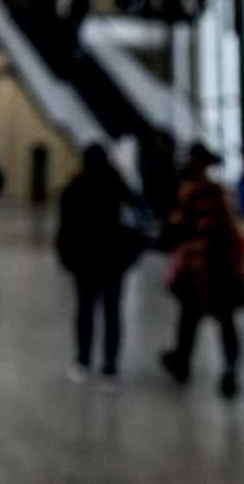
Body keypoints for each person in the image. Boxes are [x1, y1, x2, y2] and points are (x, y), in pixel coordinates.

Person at [159, 142, 244, 398]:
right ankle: (228, 370)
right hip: (224, 266)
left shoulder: (189, 193)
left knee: (189, 319)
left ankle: (182, 364)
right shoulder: (220, 192)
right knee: (225, 322)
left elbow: (176, 231)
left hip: (200, 267)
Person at [56, 144, 142, 386]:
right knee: (112, 314)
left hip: (84, 263)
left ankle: (83, 362)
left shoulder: (74, 188)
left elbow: (65, 229)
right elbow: (137, 222)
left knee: (85, 312)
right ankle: (110, 368)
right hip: (113, 263)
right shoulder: (120, 188)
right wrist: (130, 257)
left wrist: (66, 258)